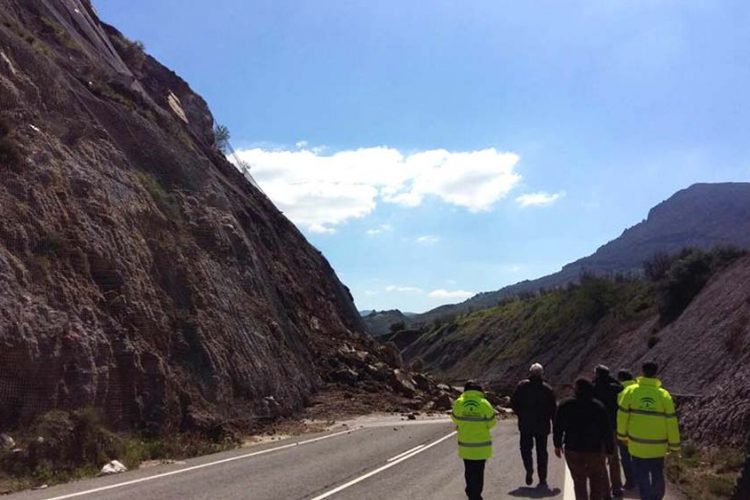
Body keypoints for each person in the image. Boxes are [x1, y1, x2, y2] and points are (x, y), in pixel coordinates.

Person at [617, 361, 681, 500]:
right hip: (658, 447)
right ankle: (657, 497)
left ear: (642, 371)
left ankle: (646, 497)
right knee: (657, 472)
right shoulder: (664, 395)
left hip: (637, 445)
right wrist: (674, 445)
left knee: (642, 474)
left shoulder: (630, 391)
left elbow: (622, 416)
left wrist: (622, 435)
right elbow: (671, 421)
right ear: (656, 373)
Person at [553, 378, 614, 500]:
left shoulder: (565, 404)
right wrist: (609, 450)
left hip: (572, 448)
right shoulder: (598, 406)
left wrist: (557, 444)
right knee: (596, 480)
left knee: (579, 481)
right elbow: (607, 430)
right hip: (594, 449)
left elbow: (558, 427)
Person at [511, 363, 557, 488]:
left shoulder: (522, 387)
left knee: (525, 449)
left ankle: (529, 468)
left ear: (530, 373)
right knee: (542, 451)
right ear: (541, 374)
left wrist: (520, 414)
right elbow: (553, 409)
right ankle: (542, 479)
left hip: (526, 424)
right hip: (542, 425)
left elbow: (514, 402)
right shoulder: (547, 389)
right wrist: (555, 424)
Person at [452, 381, 497, 500]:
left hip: (466, 444)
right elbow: (492, 422)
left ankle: (471, 491)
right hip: (482, 446)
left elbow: (455, 420)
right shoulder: (485, 403)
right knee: (479, 471)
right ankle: (476, 494)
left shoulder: (459, 403)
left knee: (469, 470)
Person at [592, 364, 624, 498]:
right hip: (613, 426)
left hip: (598, 428)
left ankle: (605, 491)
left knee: (600, 460)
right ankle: (617, 488)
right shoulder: (615, 388)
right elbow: (621, 386)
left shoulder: (594, 388)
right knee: (614, 459)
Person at [616, 369, 637, 491]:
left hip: (624, 430)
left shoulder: (619, 391)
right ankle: (640, 479)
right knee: (638, 456)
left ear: (620, 379)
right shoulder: (638, 389)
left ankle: (630, 481)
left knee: (625, 456)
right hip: (640, 430)